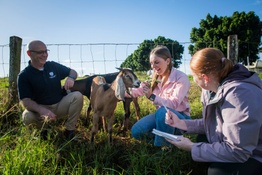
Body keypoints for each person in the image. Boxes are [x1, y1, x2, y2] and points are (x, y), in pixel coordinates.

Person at [165, 48, 262, 175]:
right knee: (202, 138)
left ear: (204, 78)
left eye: (193, 76)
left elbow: (239, 151)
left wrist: (191, 147)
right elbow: (215, 122)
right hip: (240, 144)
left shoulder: (238, 95)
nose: (193, 80)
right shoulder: (211, 88)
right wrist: (181, 123)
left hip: (255, 153)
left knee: (217, 172)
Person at [17, 40, 83, 140]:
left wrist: (71, 78)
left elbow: (73, 72)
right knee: (27, 116)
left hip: (59, 105)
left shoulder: (53, 66)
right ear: (29, 53)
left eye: (46, 51)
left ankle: (69, 130)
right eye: (40, 52)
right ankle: (43, 131)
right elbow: (26, 101)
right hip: (40, 110)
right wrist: (42, 110)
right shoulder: (24, 75)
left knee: (77, 96)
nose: (44, 55)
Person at [130, 45, 191, 146]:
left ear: (168, 61)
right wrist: (118, 92)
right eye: (151, 63)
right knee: (136, 131)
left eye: (156, 62)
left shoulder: (181, 78)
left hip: (181, 118)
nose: (153, 67)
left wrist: (152, 96)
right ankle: (169, 139)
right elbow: (139, 90)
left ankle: (163, 148)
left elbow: (173, 104)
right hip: (161, 116)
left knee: (163, 110)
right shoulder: (154, 77)